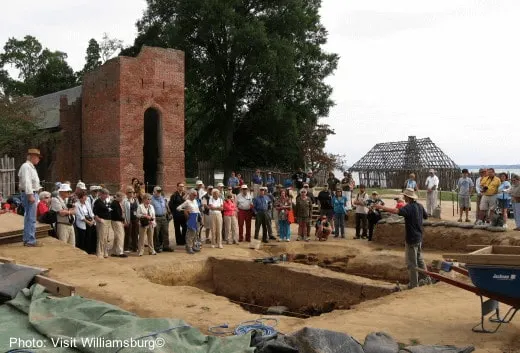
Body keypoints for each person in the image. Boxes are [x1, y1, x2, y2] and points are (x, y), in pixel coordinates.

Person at [373, 189, 430, 289]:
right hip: (419, 237)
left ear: (408, 197)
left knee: (412, 263)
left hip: (411, 238)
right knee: (419, 259)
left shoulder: (408, 208)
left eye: (405, 196)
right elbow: (426, 217)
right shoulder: (419, 206)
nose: (404, 197)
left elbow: (395, 211)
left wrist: (381, 207)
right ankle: (427, 278)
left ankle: (414, 284)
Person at [18, 148, 43, 247]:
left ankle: (28, 239)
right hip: (30, 193)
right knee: (31, 218)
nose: (38, 159)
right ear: (32, 156)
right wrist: (30, 194)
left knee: (29, 217)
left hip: (31, 193)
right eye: (37, 157)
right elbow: (27, 182)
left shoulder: (29, 167)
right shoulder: (27, 167)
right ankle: (30, 240)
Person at [176, 189, 201, 254]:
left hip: (196, 216)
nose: (195, 196)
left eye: (196, 195)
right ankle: (189, 247)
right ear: (190, 195)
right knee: (191, 233)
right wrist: (185, 210)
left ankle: (192, 246)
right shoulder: (187, 201)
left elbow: (197, 209)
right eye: (194, 195)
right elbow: (178, 208)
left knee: (195, 233)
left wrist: (200, 217)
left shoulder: (195, 201)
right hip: (191, 217)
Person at [151, 186, 172, 252]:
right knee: (156, 233)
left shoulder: (162, 198)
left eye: (160, 191)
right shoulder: (151, 200)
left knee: (165, 232)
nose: (159, 193)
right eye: (158, 191)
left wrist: (169, 213)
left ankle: (166, 246)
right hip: (156, 218)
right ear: (154, 192)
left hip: (164, 217)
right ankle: (156, 247)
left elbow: (166, 206)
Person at [93, 188, 112, 258]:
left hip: (107, 220)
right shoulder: (97, 202)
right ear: (102, 194)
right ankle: (99, 253)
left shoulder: (106, 201)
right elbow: (94, 212)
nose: (107, 196)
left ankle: (105, 252)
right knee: (101, 237)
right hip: (101, 221)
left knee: (105, 238)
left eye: (107, 194)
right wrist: (98, 219)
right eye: (106, 194)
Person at [110, 191, 127, 257]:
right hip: (116, 221)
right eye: (122, 197)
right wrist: (123, 220)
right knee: (120, 236)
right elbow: (117, 215)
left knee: (117, 237)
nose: (122, 199)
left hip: (116, 221)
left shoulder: (116, 203)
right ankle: (120, 252)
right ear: (118, 197)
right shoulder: (115, 204)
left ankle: (115, 251)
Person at [123, 186, 139, 253]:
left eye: (133, 192)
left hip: (135, 219)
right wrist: (125, 221)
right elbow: (123, 211)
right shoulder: (124, 201)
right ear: (126, 193)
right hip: (128, 219)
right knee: (128, 233)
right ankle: (127, 247)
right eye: (129, 192)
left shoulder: (136, 200)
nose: (131, 193)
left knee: (135, 233)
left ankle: (135, 247)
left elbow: (138, 209)